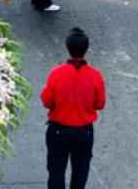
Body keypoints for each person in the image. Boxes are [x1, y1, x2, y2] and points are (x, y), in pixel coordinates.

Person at [41, 27, 106, 189]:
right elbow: (100, 104)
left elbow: (47, 101)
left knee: (56, 169)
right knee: (81, 169)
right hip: (84, 132)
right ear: (87, 49)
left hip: (58, 130)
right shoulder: (95, 75)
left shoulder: (56, 74)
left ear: (67, 48)